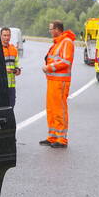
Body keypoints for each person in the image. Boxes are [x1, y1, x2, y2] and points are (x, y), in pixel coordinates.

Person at [40, 20, 75, 148]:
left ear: (57, 29)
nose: (49, 31)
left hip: (60, 82)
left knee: (59, 110)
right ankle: (53, 137)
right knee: (51, 109)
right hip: (52, 81)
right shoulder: (58, 43)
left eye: (51, 29)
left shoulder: (66, 42)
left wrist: (48, 68)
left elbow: (66, 62)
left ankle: (62, 140)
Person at [0, 27, 21, 107]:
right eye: (4, 35)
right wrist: (4, 70)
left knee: (11, 107)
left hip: (12, 86)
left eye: (8, 35)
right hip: (1, 85)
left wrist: (17, 70)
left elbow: (17, 67)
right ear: (0, 36)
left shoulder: (14, 50)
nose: (7, 37)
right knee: (2, 109)